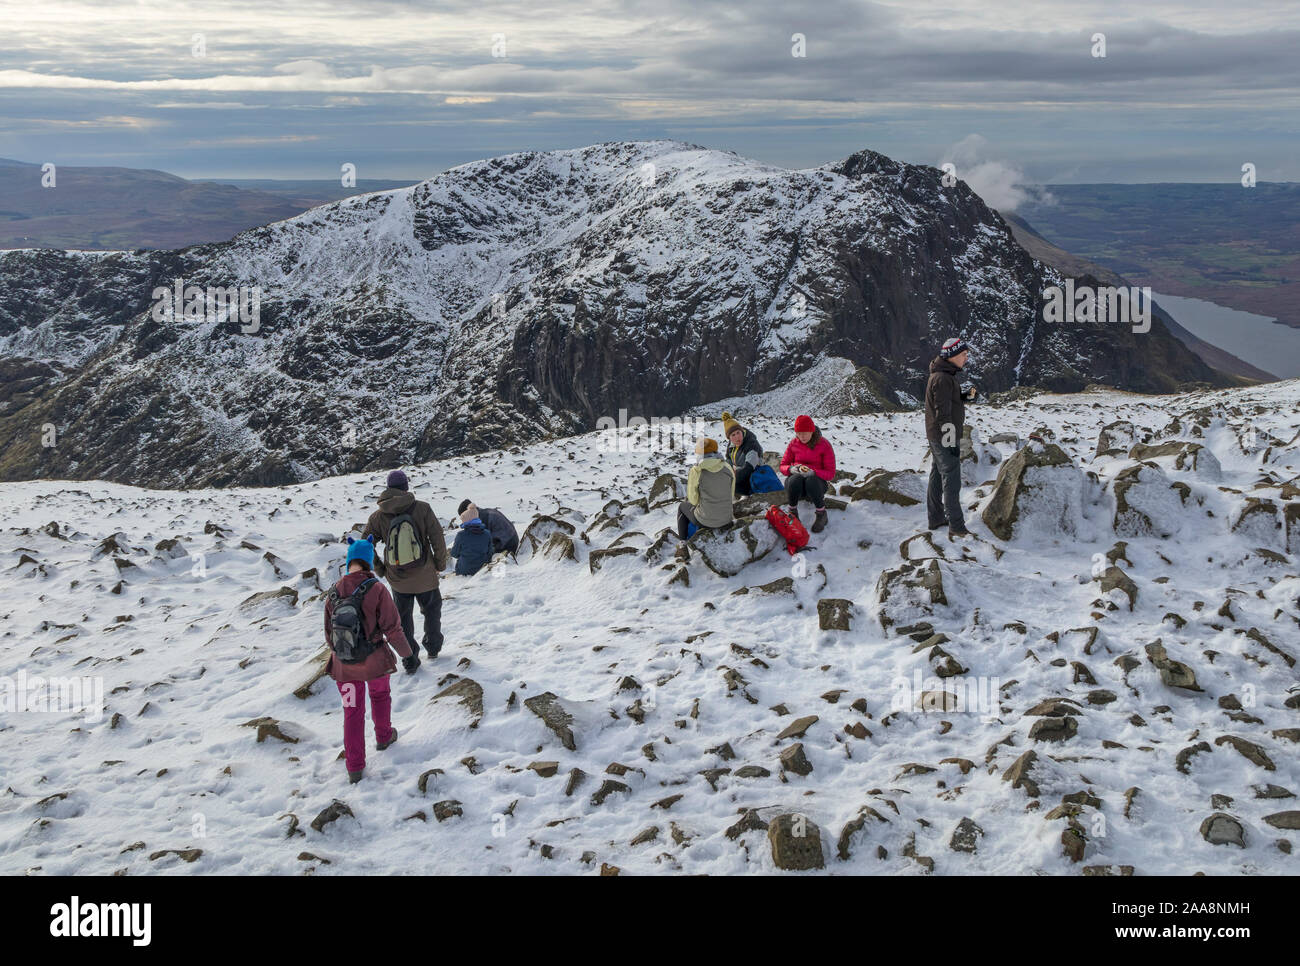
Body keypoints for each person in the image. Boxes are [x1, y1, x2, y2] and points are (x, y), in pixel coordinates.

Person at [325, 536, 414, 784]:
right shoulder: (377, 589)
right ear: (368, 561)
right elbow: (393, 628)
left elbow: (328, 634)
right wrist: (407, 653)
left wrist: (343, 655)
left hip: (344, 667)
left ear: (349, 562)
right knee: (380, 696)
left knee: (352, 711)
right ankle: (384, 736)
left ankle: (354, 767)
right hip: (375, 663)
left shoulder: (333, 592)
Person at [362, 469, 448, 670]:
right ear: (406, 487)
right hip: (425, 575)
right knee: (432, 612)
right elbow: (437, 538)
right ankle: (433, 648)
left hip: (398, 579)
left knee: (402, 621)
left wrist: (380, 569)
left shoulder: (377, 516)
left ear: (389, 488)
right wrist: (439, 564)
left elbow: (365, 545)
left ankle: (410, 659)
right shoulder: (423, 509)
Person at [924, 337, 979, 538]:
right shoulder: (942, 379)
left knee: (938, 475)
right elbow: (942, 414)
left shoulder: (945, 376)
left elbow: (948, 402)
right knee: (951, 479)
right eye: (964, 355)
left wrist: (965, 397)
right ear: (953, 355)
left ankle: (936, 517)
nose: (966, 358)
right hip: (943, 436)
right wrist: (950, 442)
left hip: (938, 435)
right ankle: (957, 526)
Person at [675, 437, 736, 555]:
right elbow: (731, 495)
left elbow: (693, 500)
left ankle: (682, 545)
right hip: (727, 519)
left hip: (706, 521)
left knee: (682, 507)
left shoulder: (697, 470)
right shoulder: (727, 467)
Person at [779, 415, 836, 533]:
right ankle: (792, 512)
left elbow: (830, 474)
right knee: (795, 479)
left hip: (816, 486)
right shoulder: (793, 443)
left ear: (812, 431)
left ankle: (821, 514)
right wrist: (791, 469)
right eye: (799, 433)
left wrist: (814, 472)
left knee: (811, 480)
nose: (802, 436)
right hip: (796, 488)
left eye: (805, 433)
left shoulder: (824, 444)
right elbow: (782, 465)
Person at [722, 411, 764, 496]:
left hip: (755, 476)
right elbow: (729, 459)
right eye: (733, 435)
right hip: (742, 473)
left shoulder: (751, 444)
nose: (737, 437)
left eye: (738, 433)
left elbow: (749, 467)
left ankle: (748, 496)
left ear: (742, 431)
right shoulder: (731, 445)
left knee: (731, 485)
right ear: (729, 438)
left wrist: (733, 477)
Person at [450, 504, 495, 576]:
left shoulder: (461, 535)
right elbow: (490, 553)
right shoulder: (487, 533)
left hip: (464, 570)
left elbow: (454, 554)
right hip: (482, 569)